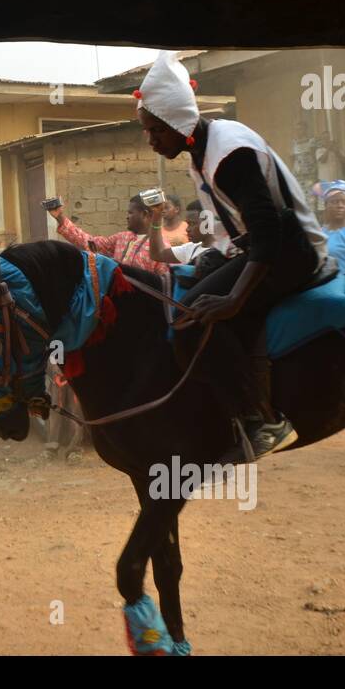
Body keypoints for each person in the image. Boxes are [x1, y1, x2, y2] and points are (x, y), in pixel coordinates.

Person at [136, 50, 327, 461]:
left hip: (290, 249)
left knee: (192, 319)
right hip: (261, 247)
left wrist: (233, 298)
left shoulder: (227, 154)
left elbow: (268, 231)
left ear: (177, 120)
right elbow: (233, 227)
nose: (151, 141)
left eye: (155, 130)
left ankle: (264, 420)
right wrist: (215, 257)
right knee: (187, 303)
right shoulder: (202, 153)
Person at [49, 195, 170, 283]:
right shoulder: (122, 238)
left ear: (145, 214)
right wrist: (60, 218)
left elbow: (164, 285)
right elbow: (90, 243)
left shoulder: (161, 247)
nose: (127, 217)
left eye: (130, 213)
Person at [147, 199, 214, 266]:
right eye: (188, 224)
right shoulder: (190, 249)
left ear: (208, 223)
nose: (187, 229)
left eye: (193, 223)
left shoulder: (222, 250)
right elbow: (156, 254)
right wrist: (156, 217)